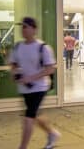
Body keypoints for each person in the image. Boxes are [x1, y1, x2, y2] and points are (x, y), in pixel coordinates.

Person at [9, 17, 61, 149]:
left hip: (39, 87)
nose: (23, 29)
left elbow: (50, 69)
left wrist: (31, 78)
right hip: (25, 88)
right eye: (22, 27)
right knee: (36, 115)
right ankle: (52, 133)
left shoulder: (43, 47)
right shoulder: (18, 46)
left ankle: (22, 147)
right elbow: (13, 63)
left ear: (34, 29)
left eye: (26, 26)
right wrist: (15, 72)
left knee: (29, 116)